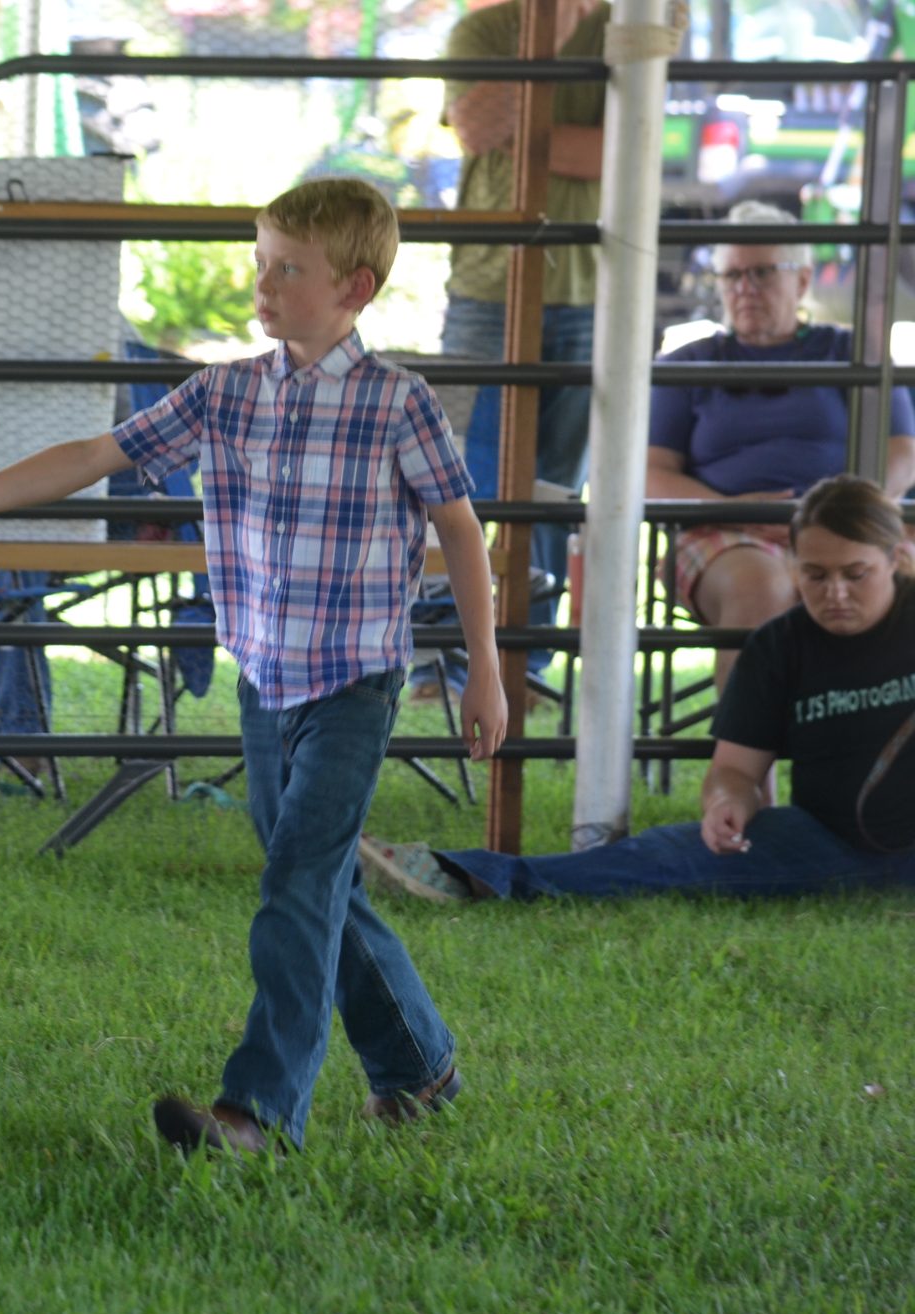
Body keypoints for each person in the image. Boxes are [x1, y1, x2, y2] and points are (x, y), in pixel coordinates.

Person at [0, 178, 509, 1155]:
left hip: (353, 686)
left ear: (355, 288)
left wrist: (483, 671)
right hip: (265, 681)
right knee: (320, 882)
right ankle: (419, 1068)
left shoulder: (396, 405)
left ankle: (255, 1113)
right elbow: (97, 451)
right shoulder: (224, 393)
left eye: (285, 269)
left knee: (296, 886)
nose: (261, 284)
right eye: (259, 263)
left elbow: (461, 534)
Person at [364, 474, 915, 903]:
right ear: (792, 565)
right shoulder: (778, 646)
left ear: (896, 560)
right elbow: (737, 771)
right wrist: (726, 805)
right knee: (664, 855)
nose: (835, 592)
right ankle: (463, 875)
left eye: (856, 574)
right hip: (827, 836)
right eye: (816, 575)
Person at [648, 201, 915, 694]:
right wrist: (730, 510)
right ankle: (743, 764)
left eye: (763, 273)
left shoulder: (852, 351)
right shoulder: (688, 364)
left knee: (903, 574)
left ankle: (881, 755)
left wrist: (847, 518)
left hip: (847, 522)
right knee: (760, 588)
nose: (744, 289)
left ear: (803, 281)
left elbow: (903, 450)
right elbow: (650, 473)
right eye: (732, 276)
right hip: (722, 531)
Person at [435, 0, 608, 692]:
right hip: (487, 292)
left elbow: (621, 151)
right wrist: (552, 40)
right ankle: (451, 658)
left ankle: (524, 665)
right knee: (461, 483)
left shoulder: (628, 28)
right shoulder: (482, 30)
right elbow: (476, 128)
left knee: (553, 492)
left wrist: (524, 128)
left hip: (590, 291)